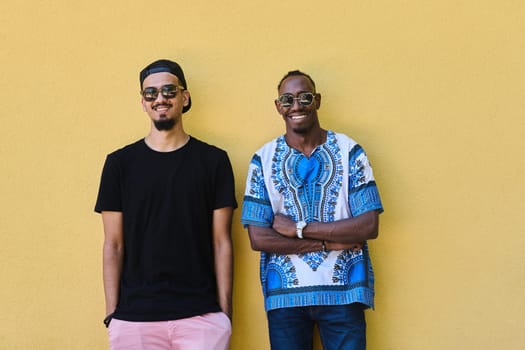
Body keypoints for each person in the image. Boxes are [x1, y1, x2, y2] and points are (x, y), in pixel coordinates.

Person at [95, 59, 237, 350]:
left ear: (184, 98)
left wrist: (224, 315)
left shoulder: (214, 162)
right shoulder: (119, 164)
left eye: (169, 90)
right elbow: (113, 244)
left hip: (201, 316)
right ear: (143, 102)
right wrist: (113, 315)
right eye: (151, 93)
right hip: (134, 319)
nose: (160, 98)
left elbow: (222, 242)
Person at [241, 70, 384, 350]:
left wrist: (297, 229)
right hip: (286, 299)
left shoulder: (349, 150)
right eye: (287, 99)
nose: (296, 105)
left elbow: (368, 226)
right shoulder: (263, 160)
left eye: (304, 97)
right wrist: (329, 241)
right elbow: (259, 238)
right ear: (278, 106)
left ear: (317, 100)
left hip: (344, 294)